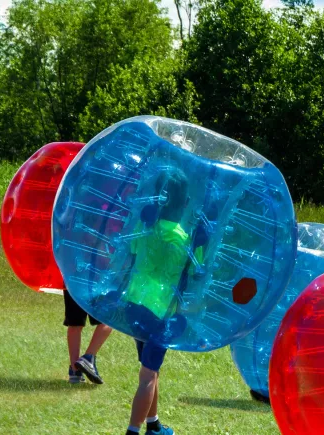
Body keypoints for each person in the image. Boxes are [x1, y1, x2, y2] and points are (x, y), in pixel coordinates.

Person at [123, 170, 202, 435]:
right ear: (185, 201)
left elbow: (133, 255)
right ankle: (133, 431)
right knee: (147, 375)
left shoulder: (145, 224)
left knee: (150, 368)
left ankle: (153, 424)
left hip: (135, 304)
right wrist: (202, 243)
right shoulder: (180, 237)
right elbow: (192, 273)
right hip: (161, 313)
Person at [63, 292, 112, 384]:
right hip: (96, 281)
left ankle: (75, 371)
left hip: (72, 280)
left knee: (75, 324)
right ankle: (88, 358)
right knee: (108, 320)